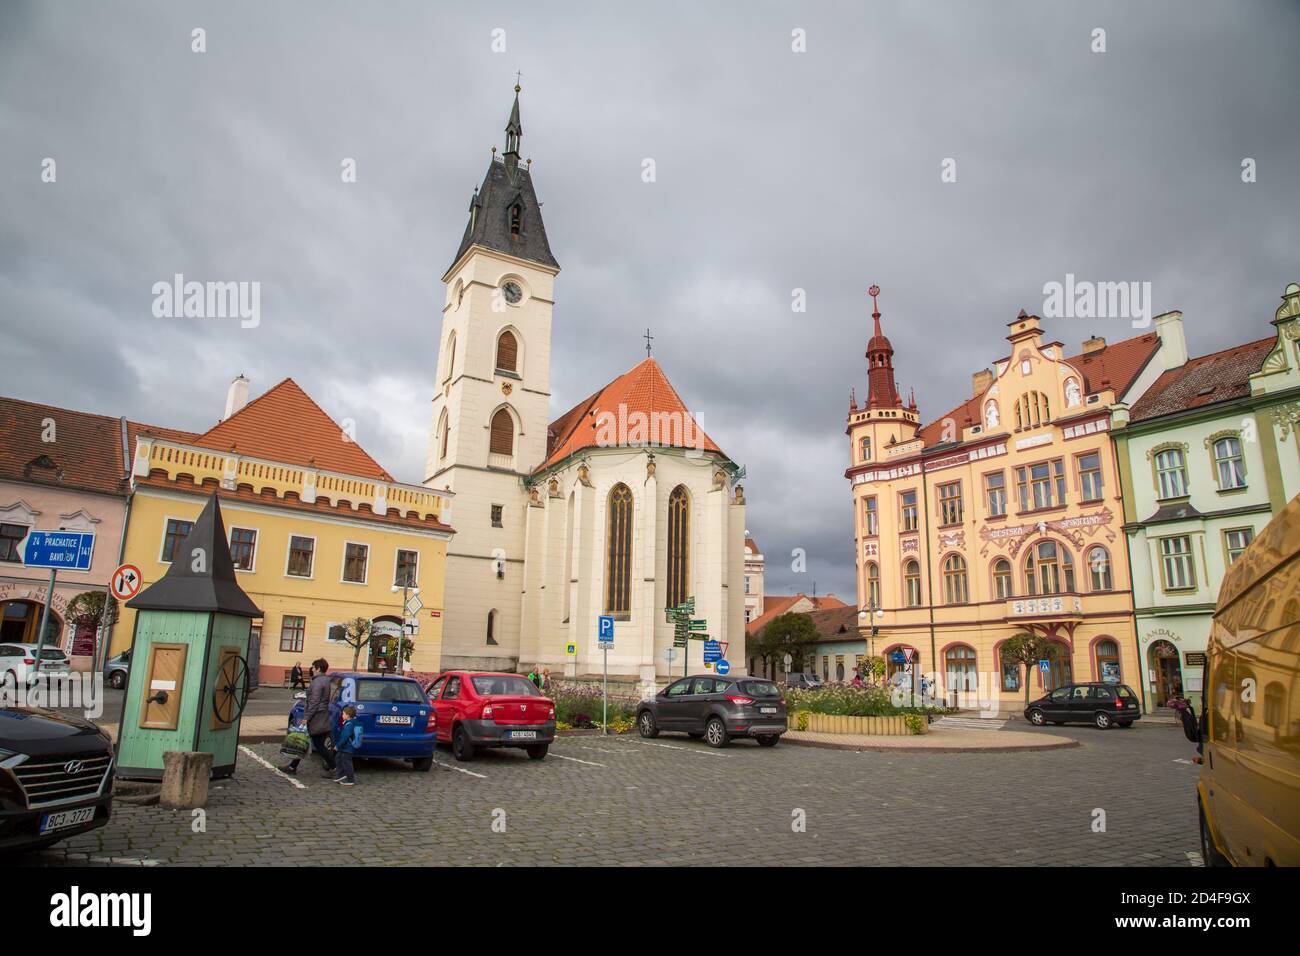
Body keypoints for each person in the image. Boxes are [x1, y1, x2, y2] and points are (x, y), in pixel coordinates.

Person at [304, 658, 337, 777]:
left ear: (318, 668)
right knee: (309, 740)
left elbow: (314, 701)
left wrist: (306, 717)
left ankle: (334, 766)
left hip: (317, 716)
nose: (312, 669)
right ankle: (293, 764)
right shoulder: (326, 680)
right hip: (322, 714)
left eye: (313, 667)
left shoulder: (317, 682)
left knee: (318, 744)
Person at [333, 704, 361, 786]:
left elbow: (345, 737)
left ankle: (350, 779)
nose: (342, 715)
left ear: (348, 715)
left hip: (347, 747)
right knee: (338, 758)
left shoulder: (349, 725)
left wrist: (337, 746)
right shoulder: (350, 723)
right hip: (345, 747)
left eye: (343, 714)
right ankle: (341, 775)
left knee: (346, 762)